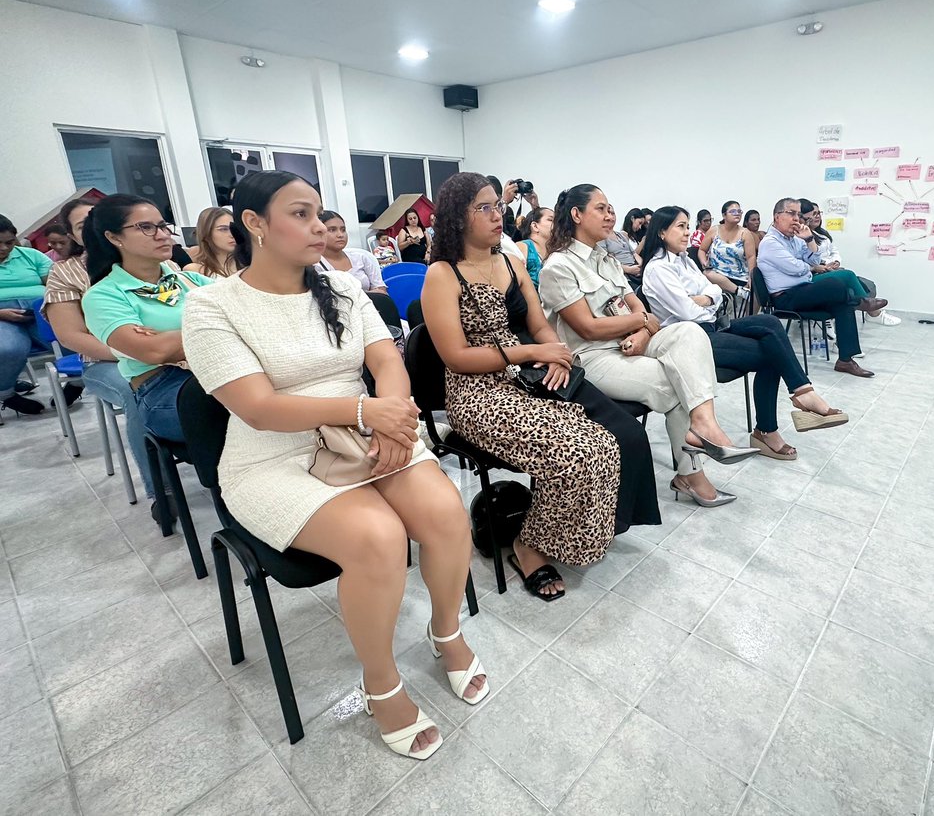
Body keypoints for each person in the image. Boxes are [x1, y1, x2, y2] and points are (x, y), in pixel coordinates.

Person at [182, 170, 482, 761]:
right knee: (378, 536)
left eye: (320, 212)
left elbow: (387, 361)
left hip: (365, 433)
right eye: (300, 213)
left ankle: (445, 631)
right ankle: (381, 682)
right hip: (273, 458)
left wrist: (392, 413)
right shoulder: (212, 305)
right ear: (254, 225)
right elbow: (259, 409)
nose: (319, 226)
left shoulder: (341, 288)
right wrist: (369, 410)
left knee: (446, 510)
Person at [423, 173, 659, 599]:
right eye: (485, 208)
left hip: (523, 380)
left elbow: (538, 326)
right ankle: (527, 545)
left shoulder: (511, 264)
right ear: (458, 217)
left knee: (605, 444)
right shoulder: (442, 275)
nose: (498, 215)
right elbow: (456, 357)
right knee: (575, 451)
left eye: (498, 205)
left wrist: (558, 355)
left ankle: (557, 533)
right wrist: (532, 354)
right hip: (476, 393)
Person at [539, 184, 759, 508]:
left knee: (689, 332)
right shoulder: (559, 266)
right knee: (675, 383)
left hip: (632, 342)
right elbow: (589, 327)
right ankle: (691, 474)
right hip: (592, 356)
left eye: (610, 207)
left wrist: (642, 331)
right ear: (576, 214)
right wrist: (641, 323)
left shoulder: (607, 259)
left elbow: (640, 309)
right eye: (601, 208)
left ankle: (705, 425)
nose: (610, 214)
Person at [641, 207, 848, 459]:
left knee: (769, 323)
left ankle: (803, 393)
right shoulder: (658, 268)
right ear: (662, 232)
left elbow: (717, 292)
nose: (687, 233)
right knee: (773, 354)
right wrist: (707, 300)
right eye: (680, 227)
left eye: (687, 226)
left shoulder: (685, 260)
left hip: (714, 325)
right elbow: (688, 312)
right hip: (691, 339)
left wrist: (705, 299)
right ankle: (768, 431)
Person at [43, 198, 160, 506]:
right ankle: (160, 490)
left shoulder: (154, 263)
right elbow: (71, 336)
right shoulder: (66, 274)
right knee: (137, 389)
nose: (93, 228)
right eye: (84, 225)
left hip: (162, 354)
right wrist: (133, 349)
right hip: (104, 362)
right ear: (72, 234)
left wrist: (158, 348)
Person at [81, 195, 214, 442]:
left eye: (163, 225)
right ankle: (225, 479)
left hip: (213, 372)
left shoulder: (190, 281)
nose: (163, 235)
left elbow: (249, 315)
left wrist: (170, 339)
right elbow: (153, 352)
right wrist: (219, 327)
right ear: (114, 237)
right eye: (146, 227)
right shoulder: (103, 296)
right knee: (230, 404)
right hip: (162, 390)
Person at [756, 199, 876, 378]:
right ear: (777, 217)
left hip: (803, 290)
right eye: (791, 213)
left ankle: (845, 360)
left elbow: (813, 260)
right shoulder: (770, 242)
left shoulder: (794, 239)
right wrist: (809, 267)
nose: (796, 218)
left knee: (842, 304)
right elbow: (797, 267)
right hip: (785, 298)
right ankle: (861, 301)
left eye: (798, 214)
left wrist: (809, 239)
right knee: (835, 283)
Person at [799, 199, 900, 326]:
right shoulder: (800, 236)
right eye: (813, 215)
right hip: (813, 274)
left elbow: (833, 251)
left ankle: (837, 322)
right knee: (848, 277)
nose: (817, 216)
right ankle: (873, 313)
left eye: (819, 213)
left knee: (865, 285)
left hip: (825, 269)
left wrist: (835, 261)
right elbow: (810, 260)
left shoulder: (821, 234)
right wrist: (822, 265)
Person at [0, 214, 54, 415]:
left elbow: (55, 286)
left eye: (9, 242)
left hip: (40, 310)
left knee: (73, 345)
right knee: (7, 350)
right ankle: (5, 394)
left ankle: (75, 385)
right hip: (1, 316)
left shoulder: (32, 256)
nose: (4, 248)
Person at [317, 212, 387, 294]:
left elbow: (382, 291)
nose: (340, 235)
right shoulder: (315, 266)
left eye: (343, 230)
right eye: (332, 230)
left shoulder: (361, 258)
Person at [700, 199, 757, 295]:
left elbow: (751, 257)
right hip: (717, 274)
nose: (737, 214)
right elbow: (702, 250)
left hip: (739, 276)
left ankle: (740, 292)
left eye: (739, 211)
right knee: (707, 274)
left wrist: (751, 278)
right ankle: (739, 292)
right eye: (733, 211)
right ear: (724, 215)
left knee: (756, 295)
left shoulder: (745, 233)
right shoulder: (714, 230)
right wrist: (704, 262)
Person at [184, 207, 238, 278]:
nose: (232, 234)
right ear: (206, 232)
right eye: (223, 229)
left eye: (234, 228)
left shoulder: (250, 265)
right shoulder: (196, 271)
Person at [599, 216, 642, 286]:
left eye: (612, 213)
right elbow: (606, 262)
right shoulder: (601, 237)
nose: (610, 217)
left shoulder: (621, 235)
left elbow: (634, 253)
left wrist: (641, 265)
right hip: (623, 276)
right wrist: (629, 269)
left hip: (636, 270)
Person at [517, 206, 552, 287]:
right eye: (551, 220)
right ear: (535, 226)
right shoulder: (522, 247)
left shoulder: (556, 252)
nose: (557, 224)